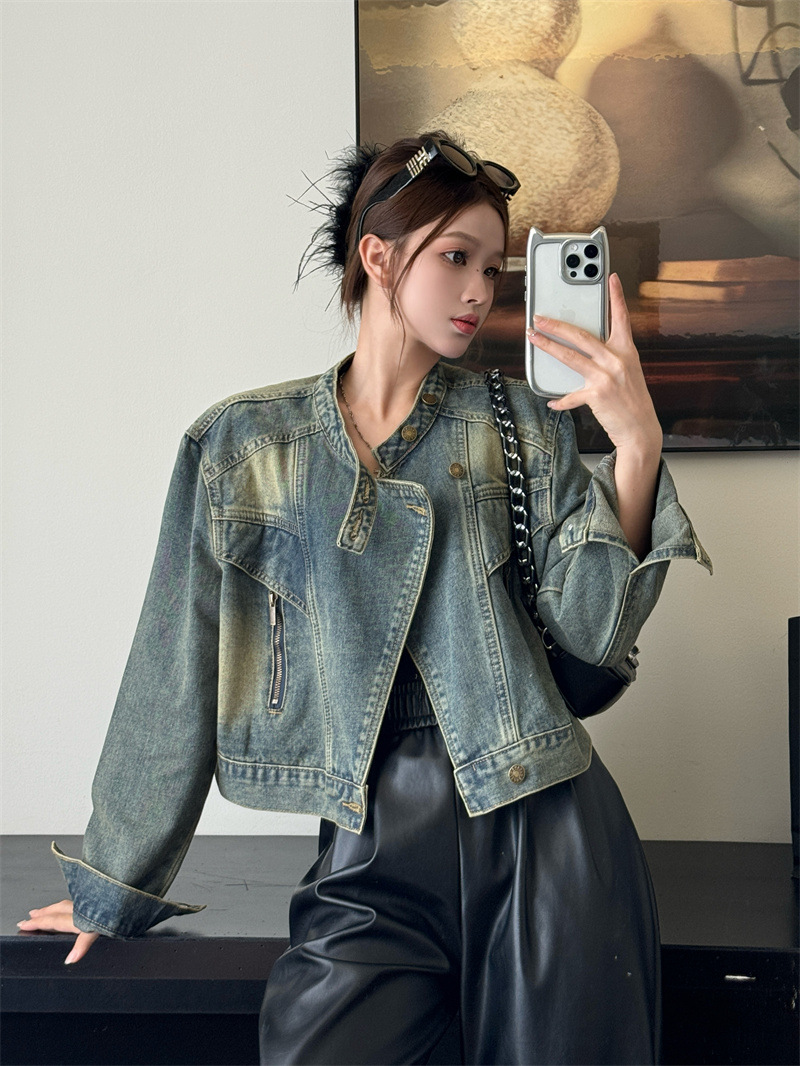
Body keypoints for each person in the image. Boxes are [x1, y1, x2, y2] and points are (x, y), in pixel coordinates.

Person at [19, 131, 711, 1065]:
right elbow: (173, 663)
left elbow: (593, 636)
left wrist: (636, 449)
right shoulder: (246, 446)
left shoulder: (519, 426)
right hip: (370, 840)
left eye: (493, 268)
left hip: (545, 827)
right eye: (455, 257)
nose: (479, 290)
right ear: (378, 257)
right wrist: (114, 880)